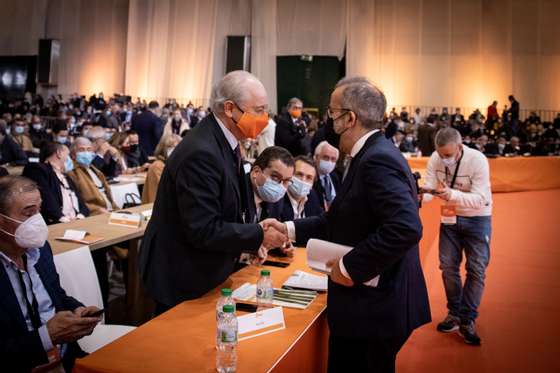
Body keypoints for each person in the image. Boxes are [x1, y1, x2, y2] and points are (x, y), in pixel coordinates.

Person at [264, 77, 430, 373]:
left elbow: (406, 226)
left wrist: (350, 267)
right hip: (372, 306)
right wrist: (287, 229)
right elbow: (338, 219)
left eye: (332, 112)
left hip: (374, 310)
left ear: (349, 118)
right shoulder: (369, 154)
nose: (328, 120)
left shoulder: (376, 159)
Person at [138, 71, 290, 314]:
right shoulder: (202, 152)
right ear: (230, 108)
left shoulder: (226, 141)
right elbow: (203, 229)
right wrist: (258, 235)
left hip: (207, 271)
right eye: (258, 110)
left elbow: (231, 203)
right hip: (183, 277)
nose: (264, 118)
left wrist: (257, 229)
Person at [0, 175, 101, 372]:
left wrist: (77, 311)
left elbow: (56, 294)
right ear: (2, 221)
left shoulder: (39, 249)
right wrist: (47, 337)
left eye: (39, 210)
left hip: (65, 358)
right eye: (28, 213)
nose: (38, 221)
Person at [422, 127, 492, 346]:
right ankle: (454, 313)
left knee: (476, 269)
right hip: (450, 218)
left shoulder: (478, 160)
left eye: (449, 155)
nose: (445, 159)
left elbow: (480, 198)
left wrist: (451, 194)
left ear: (460, 148)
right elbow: (430, 187)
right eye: (441, 155)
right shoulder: (435, 158)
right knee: (448, 266)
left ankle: (467, 318)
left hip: (478, 218)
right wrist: (419, 194)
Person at [22, 142, 89, 224]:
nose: (70, 159)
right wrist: (63, 219)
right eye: (68, 155)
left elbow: (82, 203)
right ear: (59, 153)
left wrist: (80, 217)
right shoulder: (36, 169)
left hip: (77, 221)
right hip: (56, 223)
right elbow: (45, 197)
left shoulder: (66, 177)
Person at [67, 137, 118, 215]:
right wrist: (96, 210)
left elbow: (108, 196)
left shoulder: (96, 170)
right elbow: (77, 201)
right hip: (96, 214)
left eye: (89, 149)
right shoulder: (72, 173)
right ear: (73, 155)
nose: (86, 152)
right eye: (81, 150)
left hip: (111, 211)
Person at [246, 146, 294, 224]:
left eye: (286, 181)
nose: (280, 186)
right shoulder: (237, 190)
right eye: (275, 177)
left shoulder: (277, 203)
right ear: (256, 172)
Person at [141, 134, 181, 204]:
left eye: (178, 148)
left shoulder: (172, 164)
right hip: (155, 207)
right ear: (163, 148)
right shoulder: (157, 166)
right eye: (171, 147)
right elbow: (167, 190)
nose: (176, 150)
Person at [280, 155, 322, 221]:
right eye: (299, 174)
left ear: (313, 183)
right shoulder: (278, 199)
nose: (303, 180)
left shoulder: (312, 197)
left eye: (309, 178)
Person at [312, 141, 341, 211]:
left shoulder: (335, 177)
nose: (329, 162)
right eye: (326, 157)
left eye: (333, 159)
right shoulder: (309, 176)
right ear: (315, 157)